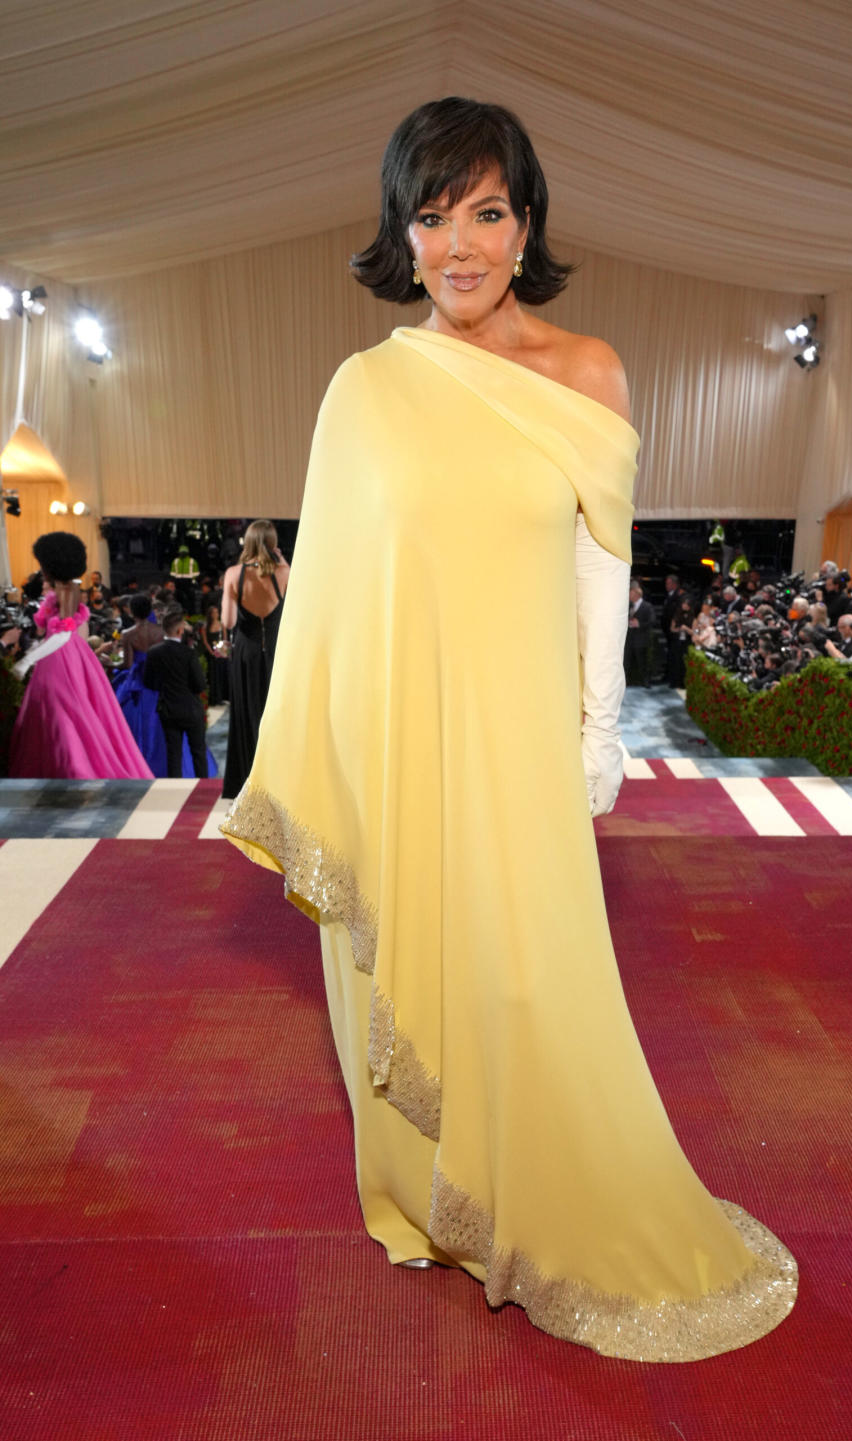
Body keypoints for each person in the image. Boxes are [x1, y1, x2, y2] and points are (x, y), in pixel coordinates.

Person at [220, 97, 796, 1361]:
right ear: (402, 236)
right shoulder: (366, 390)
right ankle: (436, 1204)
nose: (460, 245)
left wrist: (599, 737)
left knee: (533, 985)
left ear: (526, 224)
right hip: (406, 746)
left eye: (485, 212)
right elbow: (330, 596)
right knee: (423, 971)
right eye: (432, 218)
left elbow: (604, 568)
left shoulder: (588, 372)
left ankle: (550, 1201)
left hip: (525, 745)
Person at [9, 532, 152, 780]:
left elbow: (62, 634)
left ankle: (74, 768)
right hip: (65, 654)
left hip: (61, 656)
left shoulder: (66, 592)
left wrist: (27, 660)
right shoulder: (65, 590)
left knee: (64, 710)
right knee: (63, 710)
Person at [220, 520, 289, 799]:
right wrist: (281, 561)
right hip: (278, 651)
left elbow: (228, 620)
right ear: (273, 543)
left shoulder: (235, 574)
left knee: (248, 714)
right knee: (278, 714)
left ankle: (250, 782)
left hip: (247, 652)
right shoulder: (286, 572)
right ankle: (280, 780)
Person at [143, 605, 208, 779]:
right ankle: (204, 789)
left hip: (168, 709)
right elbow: (200, 685)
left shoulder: (153, 652)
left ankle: (176, 791)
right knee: (198, 752)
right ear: (180, 630)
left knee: (173, 754)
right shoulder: (188, 653)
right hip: (191, 709)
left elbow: (148, 682)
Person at [623, 579, 655, 685]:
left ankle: (645, 681)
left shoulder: (647, 606)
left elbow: (652, 621)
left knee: (642, 662)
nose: (628, 595)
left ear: (636, 594)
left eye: (630, 593)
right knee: (626, 661)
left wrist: (639, 624)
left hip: (641, 639)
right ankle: (626, 681)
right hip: (629, 638)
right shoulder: (629, 606)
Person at [200, 602, 230, 706]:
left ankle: (222, 697)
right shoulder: (205, 626)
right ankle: (214, 698)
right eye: (214, 612)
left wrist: (221, 650)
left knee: (222, 673)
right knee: (213, 675)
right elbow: (205, 641)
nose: (216, 614)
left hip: (221, 652)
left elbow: (225, 638)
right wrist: (211, 652)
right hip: (211, 654)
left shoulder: (222, 624)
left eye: (217, 612)